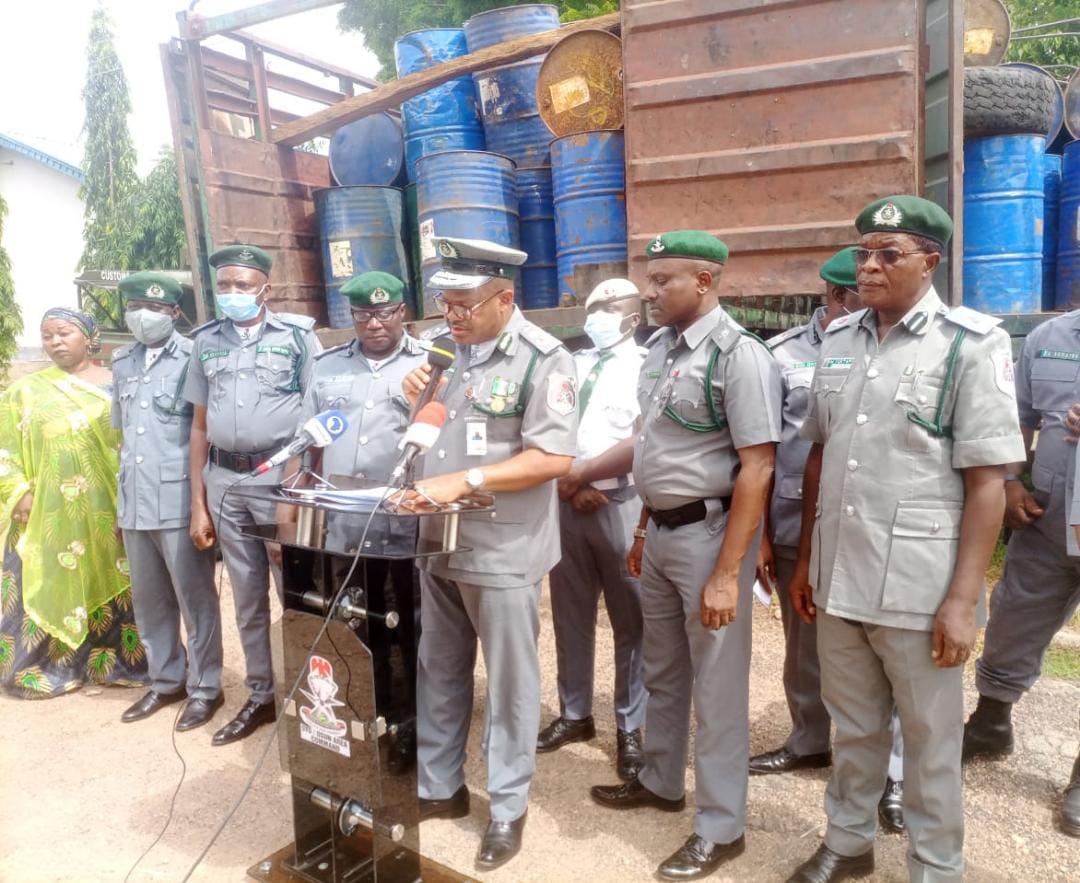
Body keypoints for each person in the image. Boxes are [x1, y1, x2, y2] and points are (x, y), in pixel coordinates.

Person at [784, 196, 1025, 883]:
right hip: (839, 577)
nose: (869, 266)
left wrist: (963, 600)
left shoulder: (970, 343)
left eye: (889, 254)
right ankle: (849, 843)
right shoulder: (840, 339)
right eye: (863, 253)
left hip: (919, 586)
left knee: (929, 740)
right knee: (854, 725)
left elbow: (987, 482)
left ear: (930, 262)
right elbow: (821, 453)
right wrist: (807, 563)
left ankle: (935, 866)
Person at [590, 230, 781, 881]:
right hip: (663, 535)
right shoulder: (662, 351)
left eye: (662, 280)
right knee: (664, 669)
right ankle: (660, 780)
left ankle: (721, 826)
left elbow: (758, 468)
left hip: (709, 537)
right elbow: (655, 448)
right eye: (651, 279)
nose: (649, 292)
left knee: (718, 688)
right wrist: (644, 527)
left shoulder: (739, 356)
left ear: (703, 280)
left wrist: (729, 573)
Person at [399, 236, 579, 871]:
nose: (451, 316)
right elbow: (431, 435)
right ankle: (439, 787)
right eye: (445, 304)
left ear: (504, 298)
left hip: (502, 546)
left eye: (464, 304)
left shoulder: (544, 359)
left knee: (508, 682)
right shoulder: (447, 353)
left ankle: (506, 806)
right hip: (438, 541)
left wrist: (468, 480)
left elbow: (553, 458)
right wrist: (415, 397)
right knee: (439, 667)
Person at [752, 248, 907, 833]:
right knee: (804, 645)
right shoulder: (781, 354)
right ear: (838, 295)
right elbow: (761, 452)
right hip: (798, 521)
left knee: (888, 651)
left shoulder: (895, 345)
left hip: (874, 525)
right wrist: (761, 535)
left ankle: (892, 773)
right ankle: (809, 739)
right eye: (856, 291)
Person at [183, 244, 320, 745]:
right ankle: (262, 694)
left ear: (266, 288)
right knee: (246, 598)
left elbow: (314, 425)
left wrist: (292, 498)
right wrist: (198, 504)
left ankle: (314, 697)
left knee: (298, 594)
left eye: (242, 284)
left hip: (280, 479)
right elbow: (199, 428)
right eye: (224, 285)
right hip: (226, 484)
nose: (232, 293)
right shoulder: (205, 342)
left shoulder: (298, 339)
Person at [291, 270, 426, 771]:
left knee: (410, 623)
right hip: (345, 523)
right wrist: (292, 508)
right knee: (353, 620)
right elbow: (308, 443)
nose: (374, 323)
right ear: (351, 315)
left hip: (406, 520)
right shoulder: (326, 366)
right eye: (364, 314)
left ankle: (412, 724)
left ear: (402, 312)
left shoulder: (429, 366)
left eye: (384, 313)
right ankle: (368, 711)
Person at [963, 304, 1080, 832]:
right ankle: (991, 723)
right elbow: (1020, 419)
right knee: (1012, 620)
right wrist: (1011, 482)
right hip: (1048, 520)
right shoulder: (1049, 336)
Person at [0, 308, 148, 697]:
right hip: (44, 514)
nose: (55, 342)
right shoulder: (24, 392)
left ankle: (113, 664)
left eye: (64, 333)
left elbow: (131, 446)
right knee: (43, 580)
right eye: (47, 335)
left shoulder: (117, 387)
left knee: (115, 580)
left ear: (89, 337)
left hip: (104, 510)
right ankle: (45, 668)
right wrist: (19, 491)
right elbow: (4, 448)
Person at [537, 277, 647, 781]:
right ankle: (575, 713)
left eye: (610, 309)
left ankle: (631, 726)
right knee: (570, 613)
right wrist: (568, 485)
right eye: (593, 308)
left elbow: (644, 439)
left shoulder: (647, 366)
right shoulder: (570, 364)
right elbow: (546, 430)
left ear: (633, 319)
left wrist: (580, 477)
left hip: (621, 502)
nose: (598, 317)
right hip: (566, 502)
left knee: (633, 620)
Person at [112, 273, 223, 730]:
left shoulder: (193, 356)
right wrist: (120, 504)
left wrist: (202, 505)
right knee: (150, 601)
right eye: (136, 306)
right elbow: (125, 437)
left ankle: (206, 687)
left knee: (195, 599)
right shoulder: (122, 361)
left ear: (175, 312)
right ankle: (165, 680)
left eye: (155, 308)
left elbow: (205, 433)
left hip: (178, 500)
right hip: (135, 500)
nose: (144, 315)